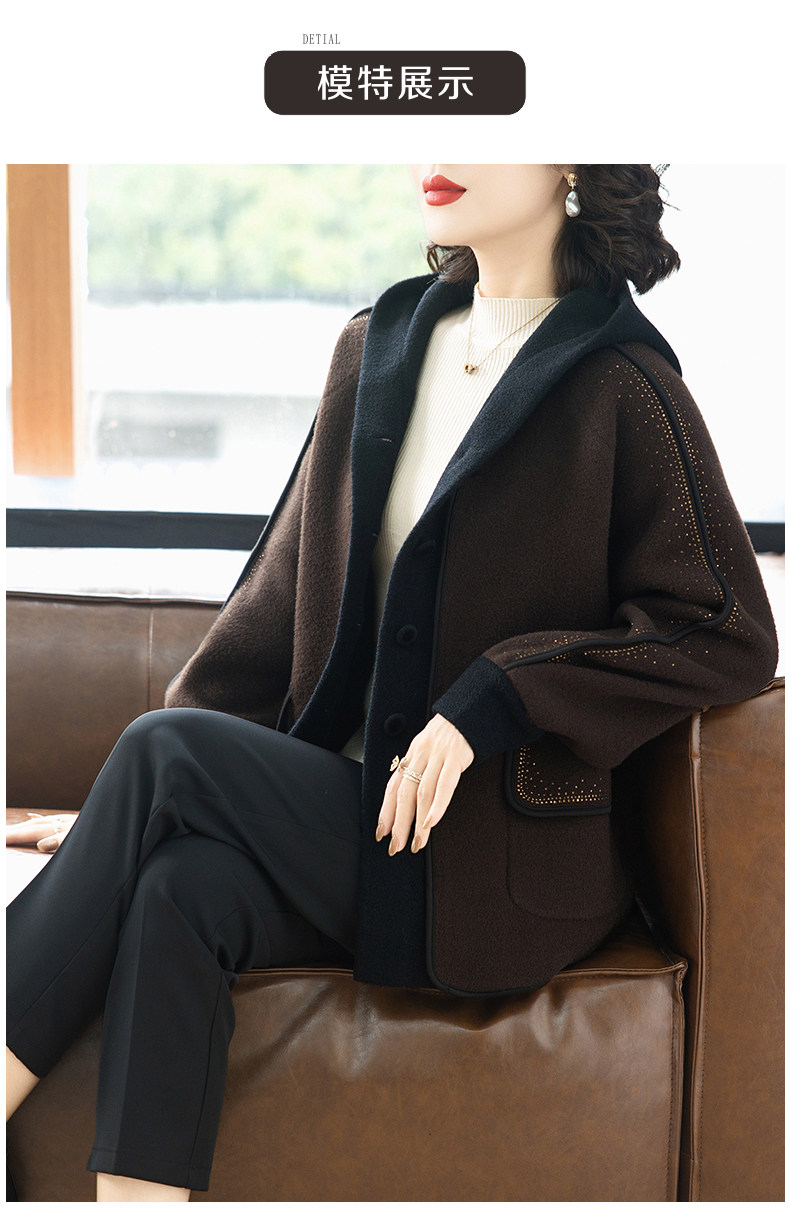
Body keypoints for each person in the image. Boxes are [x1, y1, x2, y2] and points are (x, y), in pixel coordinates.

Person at [6, 165, 778, 1202]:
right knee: (176, 887)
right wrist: (124, 817)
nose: (441, 145)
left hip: (491, 861)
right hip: (352, 826)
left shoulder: (621, 383)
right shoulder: (378, 346)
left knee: (160, 754)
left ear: (571, 162)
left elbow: (725, 626)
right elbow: (275, 602)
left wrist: (499, 695)